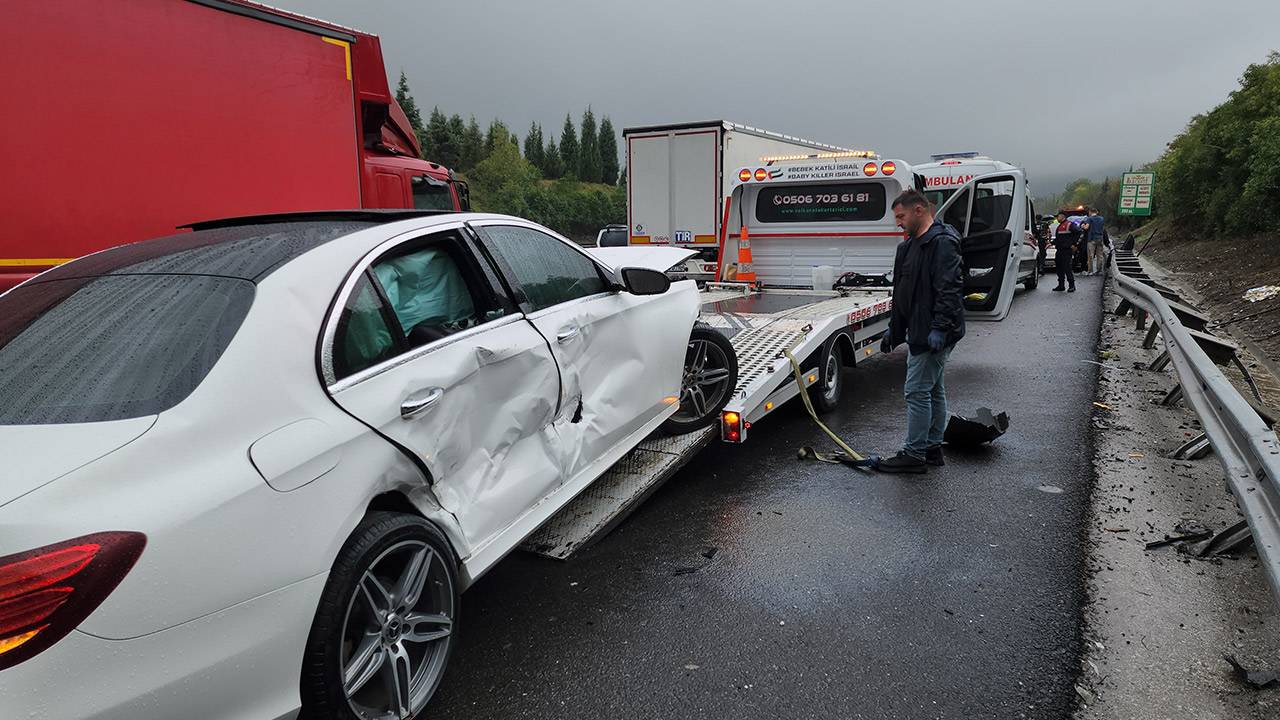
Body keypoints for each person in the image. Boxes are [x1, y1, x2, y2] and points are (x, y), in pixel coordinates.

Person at [877, 189, 966, 474]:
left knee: (916, 391)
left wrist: (940, 328)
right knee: (933, 389)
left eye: (901, 216)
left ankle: (914, 453)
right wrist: (894, 328)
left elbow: (949, 290)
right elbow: (901, 294)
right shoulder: (908, 247)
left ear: (919, 210)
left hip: (933, 333)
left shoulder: (942, 243)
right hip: (917, 330)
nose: (898, 223)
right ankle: (932, 447)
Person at [1052, 212, 1079, 292]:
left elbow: (1079, 232)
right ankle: (1061, 285)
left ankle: (1072, 285)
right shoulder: (1060, 226)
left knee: (1067, 268)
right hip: (1059, 250)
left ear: (1063, 216)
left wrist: (1074, 244)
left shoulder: (1069, 224)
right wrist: (1052, 242)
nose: (1057, 218)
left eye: (1058, 216)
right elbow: (1060, 239)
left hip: (1066, 250)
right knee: (1059, 268)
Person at [1083, 207, 1107, 274]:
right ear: (1097, 212)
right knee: (1099, 255)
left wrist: (1083, 226)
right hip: (1100, 238)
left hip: (1091, 239)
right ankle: (1099, 270)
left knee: (1090, 255)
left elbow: (1086, 227)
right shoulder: (1102, 218)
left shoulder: (1089, 219)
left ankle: (1090, 271)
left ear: (1090, 212)